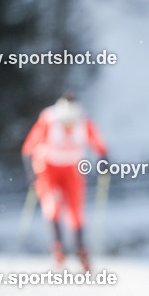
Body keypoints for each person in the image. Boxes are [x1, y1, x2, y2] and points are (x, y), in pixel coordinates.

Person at [21, 93, 108, 271]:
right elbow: (29, 147)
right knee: (52, 206)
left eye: (72, 119)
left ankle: (81, 250)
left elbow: (99, 145)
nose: (69, 123)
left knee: (75, 210)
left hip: (72, 168)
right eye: (66, 120)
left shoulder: (84, 122)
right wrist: (30, 171)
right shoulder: (48, 120)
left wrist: (104, 161)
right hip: (48, 167)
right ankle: (58, 250)